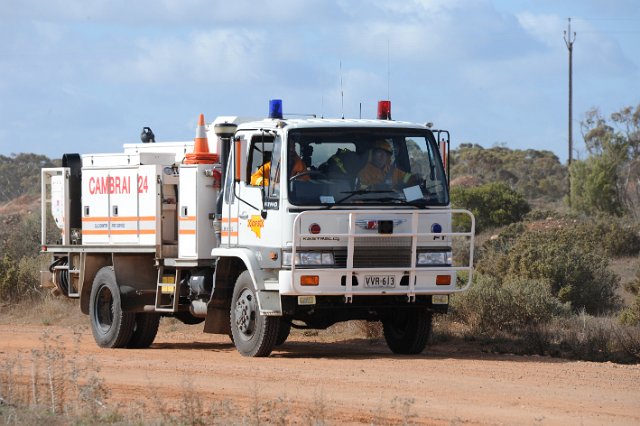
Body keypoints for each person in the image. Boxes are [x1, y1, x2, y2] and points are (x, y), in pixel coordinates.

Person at [357, 139, 422, 189]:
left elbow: (406, 178)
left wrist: (414, 177)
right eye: (379, 152)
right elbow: (361, 194)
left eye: (385, 153)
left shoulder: (393, 170)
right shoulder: (363, 172)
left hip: (396, 203)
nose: (382, 156)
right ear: (372, 154)